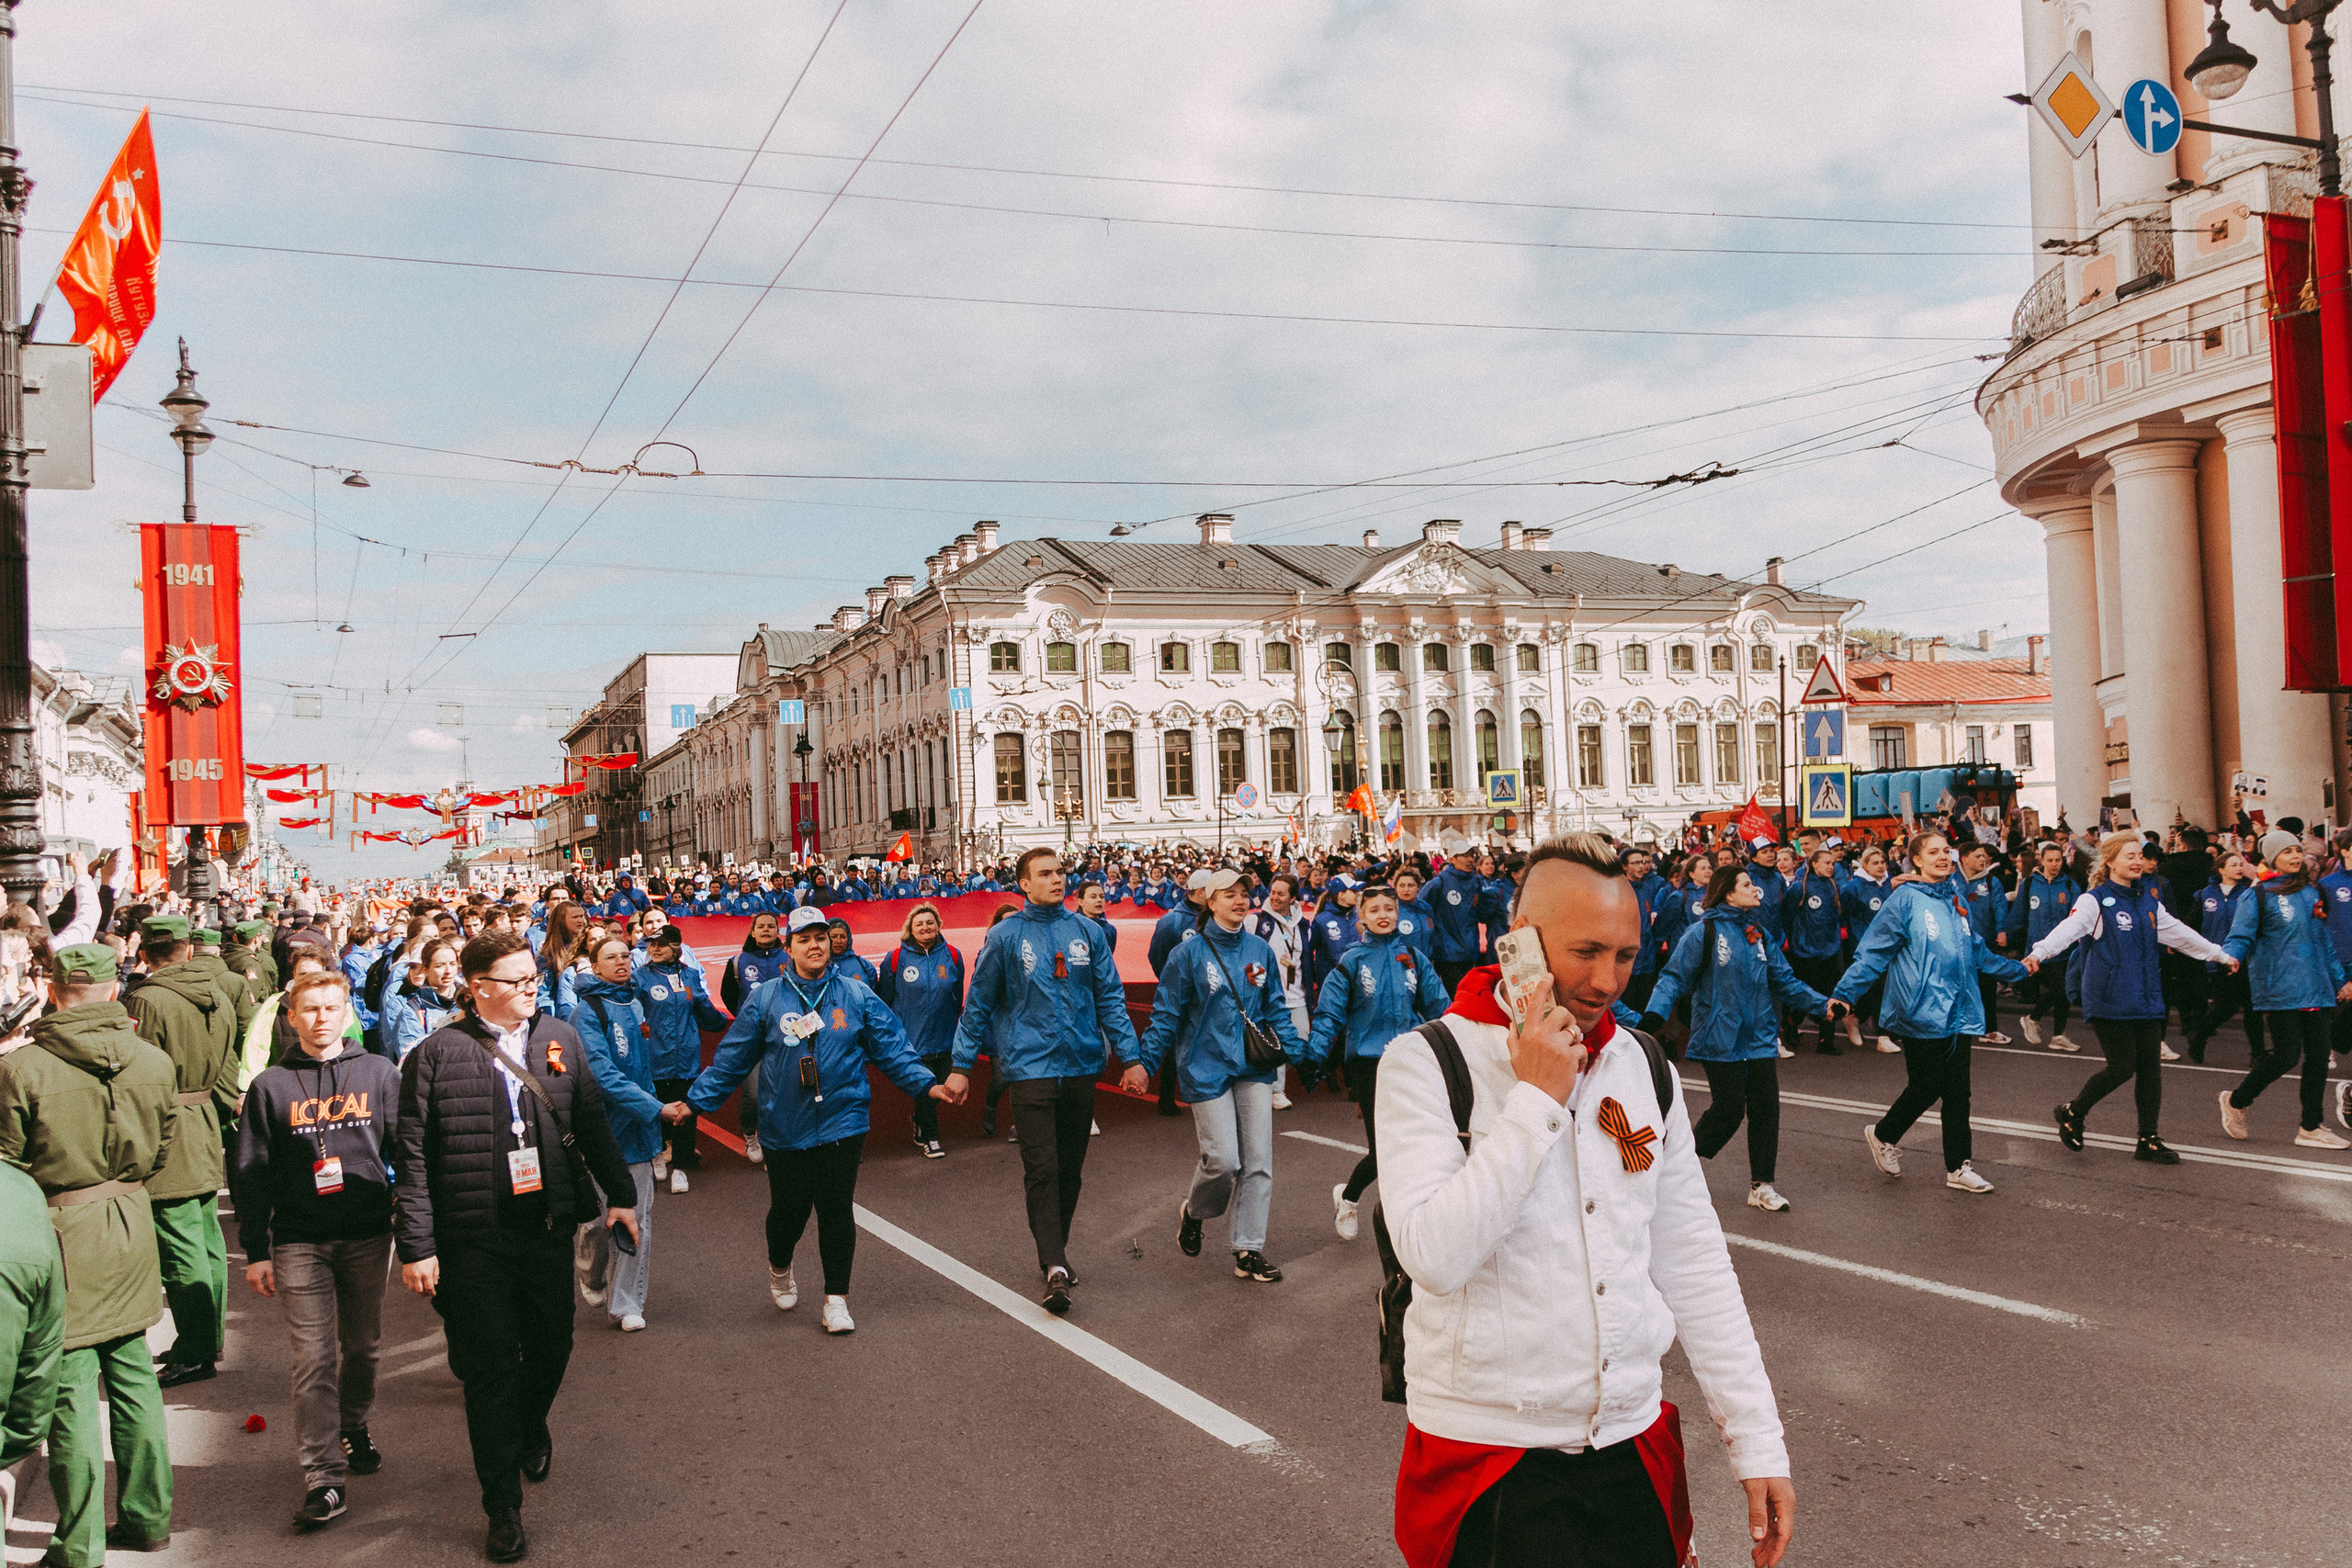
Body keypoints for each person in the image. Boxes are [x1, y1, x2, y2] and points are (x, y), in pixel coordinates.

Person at [1380, 835, 1792, 1568]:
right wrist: (1536, 1098)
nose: (1607, 980)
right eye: (1586, 951)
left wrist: (1757, 1438)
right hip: (1491, 1457)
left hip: (1632, 1442)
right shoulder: (1427, 1059)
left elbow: (1694, 1262)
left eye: (1626, 954)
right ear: (1521, 941)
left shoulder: (1643, 1063)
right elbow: (1434, 1257)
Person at [392, 931, 639, 1563]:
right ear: (478, 987)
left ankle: (532, 1423)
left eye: (533, 976)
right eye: (517, 979)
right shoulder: (436, 1054)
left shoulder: (559, 1037)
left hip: (545, 1227)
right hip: (472, 1238)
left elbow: (589, 1120)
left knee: (554, 1344)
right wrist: (417, 1245)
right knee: (491, 1370)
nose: (532, 987)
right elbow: (412, 1158)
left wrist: (620, 1194)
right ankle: (501, 1505)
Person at [668, 907, 949, 1334]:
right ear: (789, 947)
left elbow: (892, 1046)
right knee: (789, 1213)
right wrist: (695, 1101)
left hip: (843, 1119)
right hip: (784, 1124)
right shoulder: (766, 999)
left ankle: (836, 1300)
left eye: (821, 937)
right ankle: (780, 1265)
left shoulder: (855, 994)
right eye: (804, 939)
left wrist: (926, 1084)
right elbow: (732, 1059)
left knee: (836, 1210)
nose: (815, 945)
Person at [0, 944, 178, 1566]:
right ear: (113, 990)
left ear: (52, 992)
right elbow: (162, 1150)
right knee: (134, 1372)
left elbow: (6, 1164)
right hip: (129, 1218)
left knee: (69, 1390)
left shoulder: (21, 1067)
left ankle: (80, 1544)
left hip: (59, 1229)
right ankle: (149, 1516)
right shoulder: (153, 1059)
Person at [232, 966, 402, 1528]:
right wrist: (256, 1249)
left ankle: (353, 1422)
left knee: (364, 1347)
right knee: (313, 1358)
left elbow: (408, 1151)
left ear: (347, 1012)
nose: (321, 1018)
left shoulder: (379, 1073)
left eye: (331, 1008)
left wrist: (417, 1228)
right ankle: (324, 1477)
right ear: (291, 1017)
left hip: (367, 1232)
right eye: (309, 1009)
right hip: (298, 1238)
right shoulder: (271, 1086)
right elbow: (251, 1172)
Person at [947, 849, 1143, 1314]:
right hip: (1029, 1069)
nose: (1057, 880)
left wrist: (1131, 1058)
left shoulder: (1088, 932)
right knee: (1043, 1168)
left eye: (1060, 872)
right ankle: (1054, 1264)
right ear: (1024, 884)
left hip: (1080, 1066)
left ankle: (1056, 1250)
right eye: (1045, 874)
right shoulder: (1004, 935)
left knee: (1070, 1170)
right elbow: (978, 1004)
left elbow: (1110, 998)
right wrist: (960, 1065)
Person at [1830, 832, 2031, 1194]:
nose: (1943, 857)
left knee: (1958, 1093)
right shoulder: (1904, 899)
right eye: (1933, 852)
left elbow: (1977, 952)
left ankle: (1958, 1167)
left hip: (1959, 1010)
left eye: (1946, 851)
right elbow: (1873, 952)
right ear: (1917, 861)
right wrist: (1845, 994)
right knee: (1926, 1087)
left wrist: (2019, 969)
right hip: (1920, 1010)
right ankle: (1884, 1134)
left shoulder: (1955, 899)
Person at [1138, 868, 1308, 1283]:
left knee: (1258, 1162)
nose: (1239, 900)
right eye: (1228, 894)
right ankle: (1195, 1212)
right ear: (1209, 902)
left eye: (1244, 894)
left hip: (1253, 1066)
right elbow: (1166, 1015)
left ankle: (1248, 1249)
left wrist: (1299, 1052)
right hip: (1205, 1067)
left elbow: (1274, 1008)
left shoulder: (1258, 949)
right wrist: (1144, 1064)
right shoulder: (1188, 954)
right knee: (1223, 1161)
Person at [2028, 833, 2236, 1166]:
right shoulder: (2095, 901)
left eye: (2140, 855)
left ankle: (2148, 1139)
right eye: (2130, 856)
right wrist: (2039, 952)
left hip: (2146, 995)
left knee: (2151, 1070)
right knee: (2122, 1067)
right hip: (2109, 996)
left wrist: (2220, 955)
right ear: (2110, 862)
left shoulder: (2148, 902)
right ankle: (2073, 1112)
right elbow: (2069, 929)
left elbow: (2181, 934)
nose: (2138, 861)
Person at [1643, 865, 1840, 1213]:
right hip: (1719, 1036)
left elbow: (1784, 981)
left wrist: (1822, 1005)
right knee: (1729, 1111)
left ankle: (1761, 1186)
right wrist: (1654, 1016)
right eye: (1747, 885)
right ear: (1729, 893)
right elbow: (1673, 977)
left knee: (1766, 1109)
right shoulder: (1703, 932)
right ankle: (1672, 1169)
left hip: (1760, 1037)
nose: (1755, 889)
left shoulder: (1758, 932)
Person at [121, 914, 237, 1389]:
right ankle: (207, 1337)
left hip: (168, 1124)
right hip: (203, 1116)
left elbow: (136, 1074)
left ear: (144, 953)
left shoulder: (147, 999)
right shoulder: (218, 992)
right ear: (189, 948)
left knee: (180, 1244)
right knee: (206, 1238)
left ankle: (196, 1349)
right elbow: (226, 1062)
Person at [1308, 882, 1447, 1242]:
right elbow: (1329, 1013)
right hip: (1369, 1064)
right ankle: (1350, 1199)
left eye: (1389, 908)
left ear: (1397, 914)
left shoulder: (1414, 957)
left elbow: (1441, 1008)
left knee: (1418, 1143)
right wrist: (1315, 1055)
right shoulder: (1351, 961)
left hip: (1411, 1061)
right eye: (1374, 910)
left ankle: (1411, 1222)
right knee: (1383, 1150)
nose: (1383, 915)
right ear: (1362, 918)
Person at [2215, 842, 2352, 1148]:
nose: (2295, 856)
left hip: (2317, 986)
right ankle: (2237, 1101)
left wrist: (2339, 979)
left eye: (2297, 850)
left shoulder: (2311, 893)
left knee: (2318, 1057)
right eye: (2287, 851)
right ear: (2272, 857)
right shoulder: (2258, 895)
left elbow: (2324, 941)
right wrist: (2230, 956)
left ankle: (2310, 1127)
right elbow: (2240, 935)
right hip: (2280, 986)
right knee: (2286, 1056)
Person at [569, 936, 664, 1331]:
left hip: (638, 1131)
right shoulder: (586, 1012)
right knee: (595, 1222)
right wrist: (653, 1107)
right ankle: (591, 1273)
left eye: (626, 955)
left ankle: (627, 1304)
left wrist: (651, 1110)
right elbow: (601, 1075)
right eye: (611, 957)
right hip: (600, 1130)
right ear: (595, 966)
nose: (621, 962)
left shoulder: (636, 1002)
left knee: (635, 1217)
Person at [634, 927, 728, 1190]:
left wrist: (722, 1021)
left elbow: (703, 1008)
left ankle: (682, 1167)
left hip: (686, 1057)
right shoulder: (639, 977)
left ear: (675, 948)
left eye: (661, 944)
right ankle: (658, 1153)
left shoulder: (689, 975)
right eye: (652, 944)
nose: (655, 949)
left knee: (686, 1110)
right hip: (654, 1055)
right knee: (657, 1108)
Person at [873, 903, 964, 1159]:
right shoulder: (895, 959)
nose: (925, 927)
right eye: (919, 924)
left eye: (930, 922)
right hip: (911, 1039)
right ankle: (931, 1138)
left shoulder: (953, 955)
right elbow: (885, 1001)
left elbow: (957, 997)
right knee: (926, 1087)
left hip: (944, 1036)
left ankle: (919, 1120)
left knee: (942, 1085)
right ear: (910, 929)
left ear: (938, 926)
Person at [719, 911, 792, 1167]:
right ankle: (750, 1134)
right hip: (751, 1040)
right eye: (760, 926)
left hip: (786, 1038)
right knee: (753, 1094)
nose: (766, 930)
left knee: (785, 1093)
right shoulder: (738, 961)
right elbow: (729, 995)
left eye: (771, 926)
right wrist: (746, 1019)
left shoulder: (790, 958)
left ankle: (776, 1143)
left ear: (778, 931)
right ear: (752, 932)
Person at [2006, 841, 2085, 1053]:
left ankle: (2058, 1035)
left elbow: (2078, 917)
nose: (2054, 864)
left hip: (2065, 950)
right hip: (2040, 950)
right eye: (2050, 860)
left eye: (2058, 860)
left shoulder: (2070, 886)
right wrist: (2005, 933)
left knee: (2064, 993)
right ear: (2042, 860)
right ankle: (2032, 1018)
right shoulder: (2030, 883)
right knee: (2062, 989)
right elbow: (2019, 913)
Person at [2187, 849, 2264, 1066]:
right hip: (2219, 958)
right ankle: (2199, 1037)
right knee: (2226, 1006)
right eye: (2233, 865)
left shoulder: (2249, 893)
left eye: (2241, 864)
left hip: (2246, 957)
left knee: (2252, 1006)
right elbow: (2192, 924)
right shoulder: (2204, 895)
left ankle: (2258, 1054)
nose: (2239, 868)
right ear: (2221, 870)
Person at [1779, 848, 1846, 1055]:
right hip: (1805, 951)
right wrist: (1798, 940)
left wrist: (1834, 941)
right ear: (1814, 863)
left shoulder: (1833, 886)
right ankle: (1792, 1022)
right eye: (1826, 863)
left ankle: (1826, 1040)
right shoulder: (1799, 888)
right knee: (1806, 993)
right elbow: (1787, 917)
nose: (1830, 867)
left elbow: (1836, 916)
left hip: (1829, 949)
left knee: (1829, 994)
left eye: (1832, 863)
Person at [1250, 873, 1308, 1111]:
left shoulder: (1303, 925)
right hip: (1270, 996)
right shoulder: (1256, 922)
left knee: (1301, 1039)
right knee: (1275, 1041)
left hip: (1297, 994)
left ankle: (1269, 1079)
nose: (1274, 897)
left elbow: (1303, 960)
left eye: (1280, 894)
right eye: (1273, 892)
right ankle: (1276, 1090)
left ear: (1292, 898)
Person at [1426, 840, 1508, 995]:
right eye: (1465, 856)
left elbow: (1480, 912)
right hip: (1447, 953)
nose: (1470, 859)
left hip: (1470, 950)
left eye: (1472, 855)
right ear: (1453, 859)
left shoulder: (1475, 881)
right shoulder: (1439, 882)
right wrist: (1433, 932)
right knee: (1457, 994)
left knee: (1470, 993)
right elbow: (1421, 906)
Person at [384, 939, 464, 1063]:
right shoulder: (413, 1009)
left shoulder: (467, 1003)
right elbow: (412, 1058)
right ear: (425, 969)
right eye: (440, 966)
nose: (448, 971)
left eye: (453, 964)